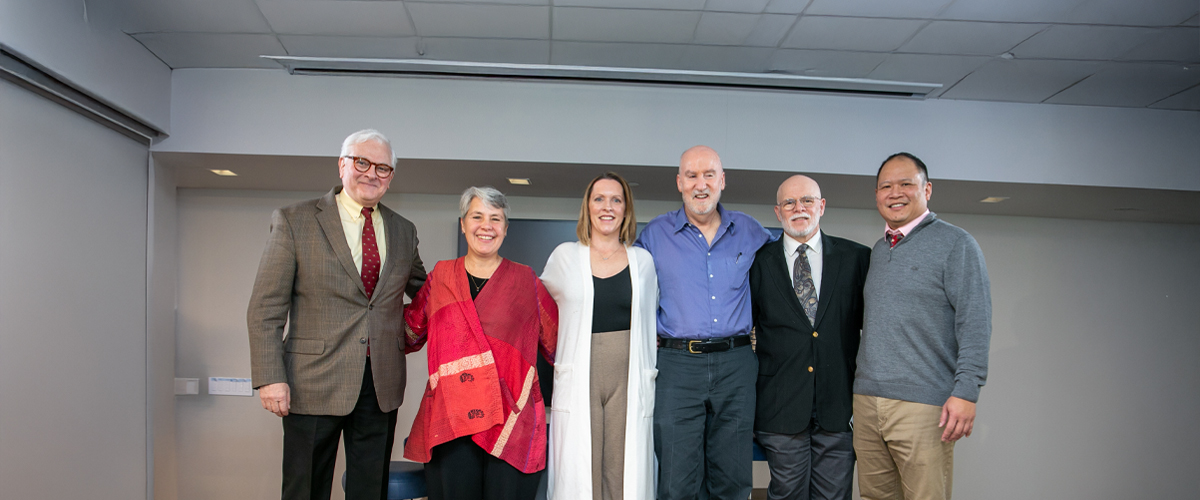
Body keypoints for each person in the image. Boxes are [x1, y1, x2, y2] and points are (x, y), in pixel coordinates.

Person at [247, 129, 427, 500]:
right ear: (342, 164)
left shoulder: (403, 230)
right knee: (305, 488)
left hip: (381, 384)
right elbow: (265, 308)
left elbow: (427, 292)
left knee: (369, 490)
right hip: (312, 382)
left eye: (382, 168)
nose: (371, 173)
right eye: (362, 162)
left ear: (391, 177)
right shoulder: (295, 221)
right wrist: (269, 377)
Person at [402, 186, 558, 500]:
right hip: (452, 419)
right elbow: (410, 332)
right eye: (477, 216)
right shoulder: (441, 277)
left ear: (505, 228)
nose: (486, 226)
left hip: (510, 421)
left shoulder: (527, 282)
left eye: (495, 219)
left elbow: (559, 343)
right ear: (463, 223)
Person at [635, 145, 772, 500]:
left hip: (737, 365)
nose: (701, 184)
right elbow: (631, 292)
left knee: (733, 476)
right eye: (692, 176)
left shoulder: (750, 231)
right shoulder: (653, 235)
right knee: (677, 479)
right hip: (677, 366)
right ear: (679, 182)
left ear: (722, 181)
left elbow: (780, 277)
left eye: (709, 175)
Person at [854, 152, 992, 500]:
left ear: (926, 189)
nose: (895, 193)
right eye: (886, 186)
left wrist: (966, 391)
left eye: (906, 184)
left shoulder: (956, 244)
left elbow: (975, 321)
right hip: (868, 403)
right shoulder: (878, 250)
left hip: (923, 404)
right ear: (876, 195)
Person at [750, 175, 871, 500]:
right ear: (778, 212)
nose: (798, 208)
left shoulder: (857, 259)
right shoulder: (757, 263)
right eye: (789, 202)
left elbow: (873, 329)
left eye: (806, 200)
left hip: (839, 404)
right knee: (787, 494)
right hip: (780, 406)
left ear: (821, 206)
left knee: (835, 496)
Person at [542, 172, 658, 500]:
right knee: (582, 470)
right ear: (587, 207)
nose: (607, 206)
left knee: (622, 470)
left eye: (616, 199)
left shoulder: (643, 262)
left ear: (626, 209)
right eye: (599, 199)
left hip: (629, 376)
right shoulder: (564, 257)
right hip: (580, 374)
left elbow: (655, 319)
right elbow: (536, 313)